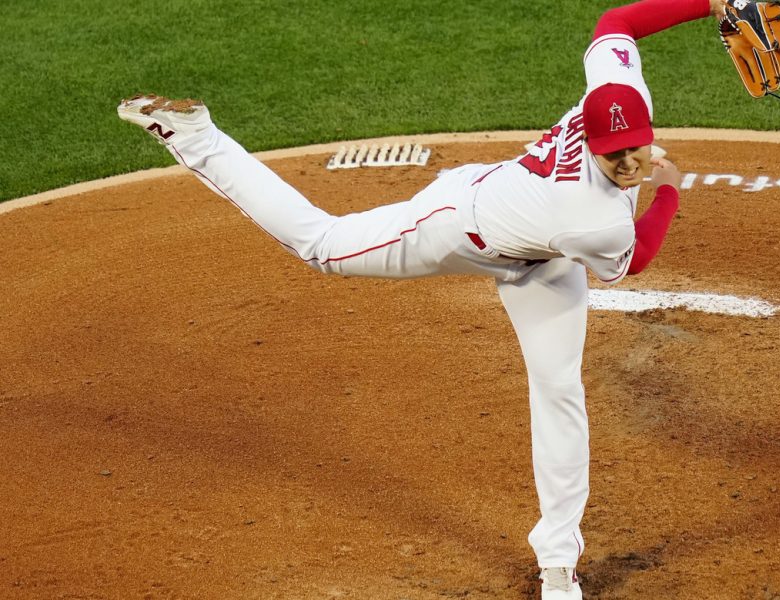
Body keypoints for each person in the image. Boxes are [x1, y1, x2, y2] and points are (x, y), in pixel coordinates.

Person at [118, 0, 725, 597]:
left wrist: (708, 2)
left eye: (637, 148)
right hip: (457, 226)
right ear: (592, 141)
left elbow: (617, 23)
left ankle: (559, 566)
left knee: (559, 390)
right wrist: (668, 189)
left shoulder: (620, 95)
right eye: (613, 152)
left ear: (643, 121)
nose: (628, 162)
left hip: (540, 254)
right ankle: (197, 137)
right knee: (325, 245)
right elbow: (635, 256)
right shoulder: (594, 219)